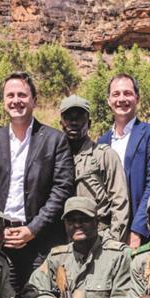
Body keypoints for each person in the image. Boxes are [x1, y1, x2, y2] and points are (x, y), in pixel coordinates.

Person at [0, 72, 75, 289]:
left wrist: (32, 229)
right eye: (10, 95)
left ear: (34, 100)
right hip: (1, 240)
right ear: (3, 102)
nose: (16, 101)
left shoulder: (54, 140)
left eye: (22, 95)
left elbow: (62, 190)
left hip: (40, 241)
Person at [98, 73, 150, 248]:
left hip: (140, 234)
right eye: (116, 94)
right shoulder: (101, 142)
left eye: (127, 93)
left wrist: (137, 230)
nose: (122, 99)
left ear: (137, 98)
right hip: (106, 233)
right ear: (108, 100)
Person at [59, 95, 129, 241]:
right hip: (64, 239)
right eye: (68, 117)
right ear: (61, 123)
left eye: (79, 117)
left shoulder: (104, 155)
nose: (74, 122)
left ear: (89, 123)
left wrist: (113, 242)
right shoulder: (55, 158)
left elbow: (120, 202)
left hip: (99, 238)